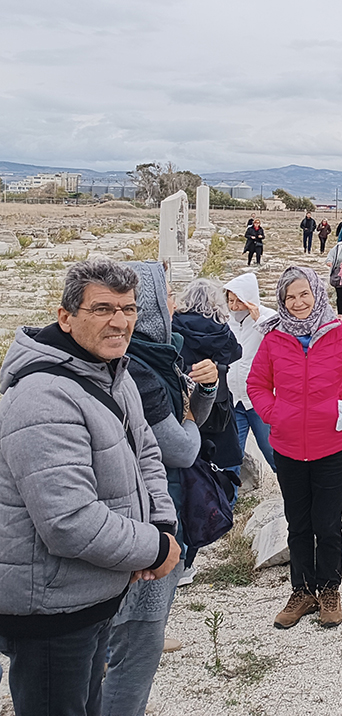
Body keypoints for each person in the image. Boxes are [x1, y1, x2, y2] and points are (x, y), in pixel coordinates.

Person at [0, 258, 181, 715]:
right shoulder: (43, 397)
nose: (120, 321)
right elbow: (69, 520)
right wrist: (154, 549)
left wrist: (161, 524)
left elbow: (148, 456)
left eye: (129, 308)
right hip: (51, 609)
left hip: (94, 592)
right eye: (103, 309)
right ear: (65, 316)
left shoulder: (111, 372)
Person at [103, 261, 218, 716]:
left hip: (153, 508)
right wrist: (190, 414)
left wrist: (202, 394)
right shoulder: (141, 373)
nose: (173, 303)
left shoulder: (160, 358)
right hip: (147, 518)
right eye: (165, 294)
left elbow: (191, 425)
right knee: (137, 646)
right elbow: (182, 448)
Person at [247, 267, 342, 629]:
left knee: (328, 523)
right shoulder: (274, 339)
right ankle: (303, 591)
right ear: (282, 302)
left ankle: (330, 589)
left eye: (304, 294)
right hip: (288, 447)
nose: (298, 302)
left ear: (317, 294)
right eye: (290, 297)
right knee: (298, 523)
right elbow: (256, 383)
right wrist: (275, 414)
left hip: (333, 446)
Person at [172, 279, 244, 481]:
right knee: (223, 466)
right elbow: (236, 353)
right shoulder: (221, 329)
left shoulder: (174, 325)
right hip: (218, 405)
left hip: (184, 404)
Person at [224, 273, 279, 478]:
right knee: (232, 454)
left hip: (258, 400)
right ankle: (227, 503)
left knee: (271, 449)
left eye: (239, 300)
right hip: (233, 398)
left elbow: (281, 343)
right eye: (231, 300)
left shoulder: (268, 316)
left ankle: (292, 489)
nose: (235, 306)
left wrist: (259, 320)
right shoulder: (225, 320)